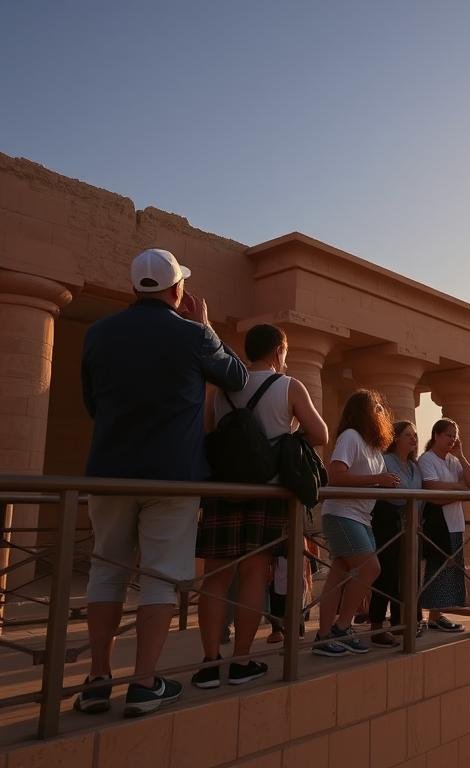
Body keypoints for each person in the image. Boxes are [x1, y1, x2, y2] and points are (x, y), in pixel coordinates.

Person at [77, 248, 248, 717]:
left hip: (109, 471)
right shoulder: (192, 335)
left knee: (106, 570)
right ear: (177, 290)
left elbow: (92, 401)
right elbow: (234, 377)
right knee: (159, 578)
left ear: (134, 287)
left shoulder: (98, 333)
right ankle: (145, 682)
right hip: (172, 474)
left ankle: (96, 679)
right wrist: (207, 325)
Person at [192, 324, 328, 688]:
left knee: (215, 577)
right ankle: (241, 661)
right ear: (279, 350)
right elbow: (320, 435)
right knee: (255, 575)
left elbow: (207, 433)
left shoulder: (220, 389)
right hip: (266, 493)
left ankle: (208, 663)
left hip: (223, 490)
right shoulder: (288, 386)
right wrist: (286, 433)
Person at [315, 389, 399, 655]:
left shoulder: (373, 446)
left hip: (360, 516)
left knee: (337, 577)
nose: (381, 412)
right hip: (342, 514)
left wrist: (381, 483)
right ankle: (342, 627)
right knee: (370, 569)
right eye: (376, 407)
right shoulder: (350, 437)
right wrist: (377, 480)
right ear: (363, 412)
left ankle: (324, 636)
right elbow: (335, 475)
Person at [419, 418, 470, 632]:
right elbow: (432, 490)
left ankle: (437, 615)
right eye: (448, 435)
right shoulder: (427, 459)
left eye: (455, 436)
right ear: (436, 435)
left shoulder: (453, 461)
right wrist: (459, 490)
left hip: (455, 525)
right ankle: (430, 616)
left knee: (450, 572)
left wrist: (461, 456)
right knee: (436, 571)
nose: (452, 439)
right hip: (437, 525)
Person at [368, 420, 422, 648]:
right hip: (388, 525)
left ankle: (404, 621)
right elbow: (388, 493)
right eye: (408, 435)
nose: (413, 438)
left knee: (409, 574)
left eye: (415, 435)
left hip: (411, 528)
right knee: (386, 574)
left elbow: (417, 496)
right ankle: (377, 626)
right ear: (395, 438)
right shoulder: (385, 461)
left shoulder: (414, 466)